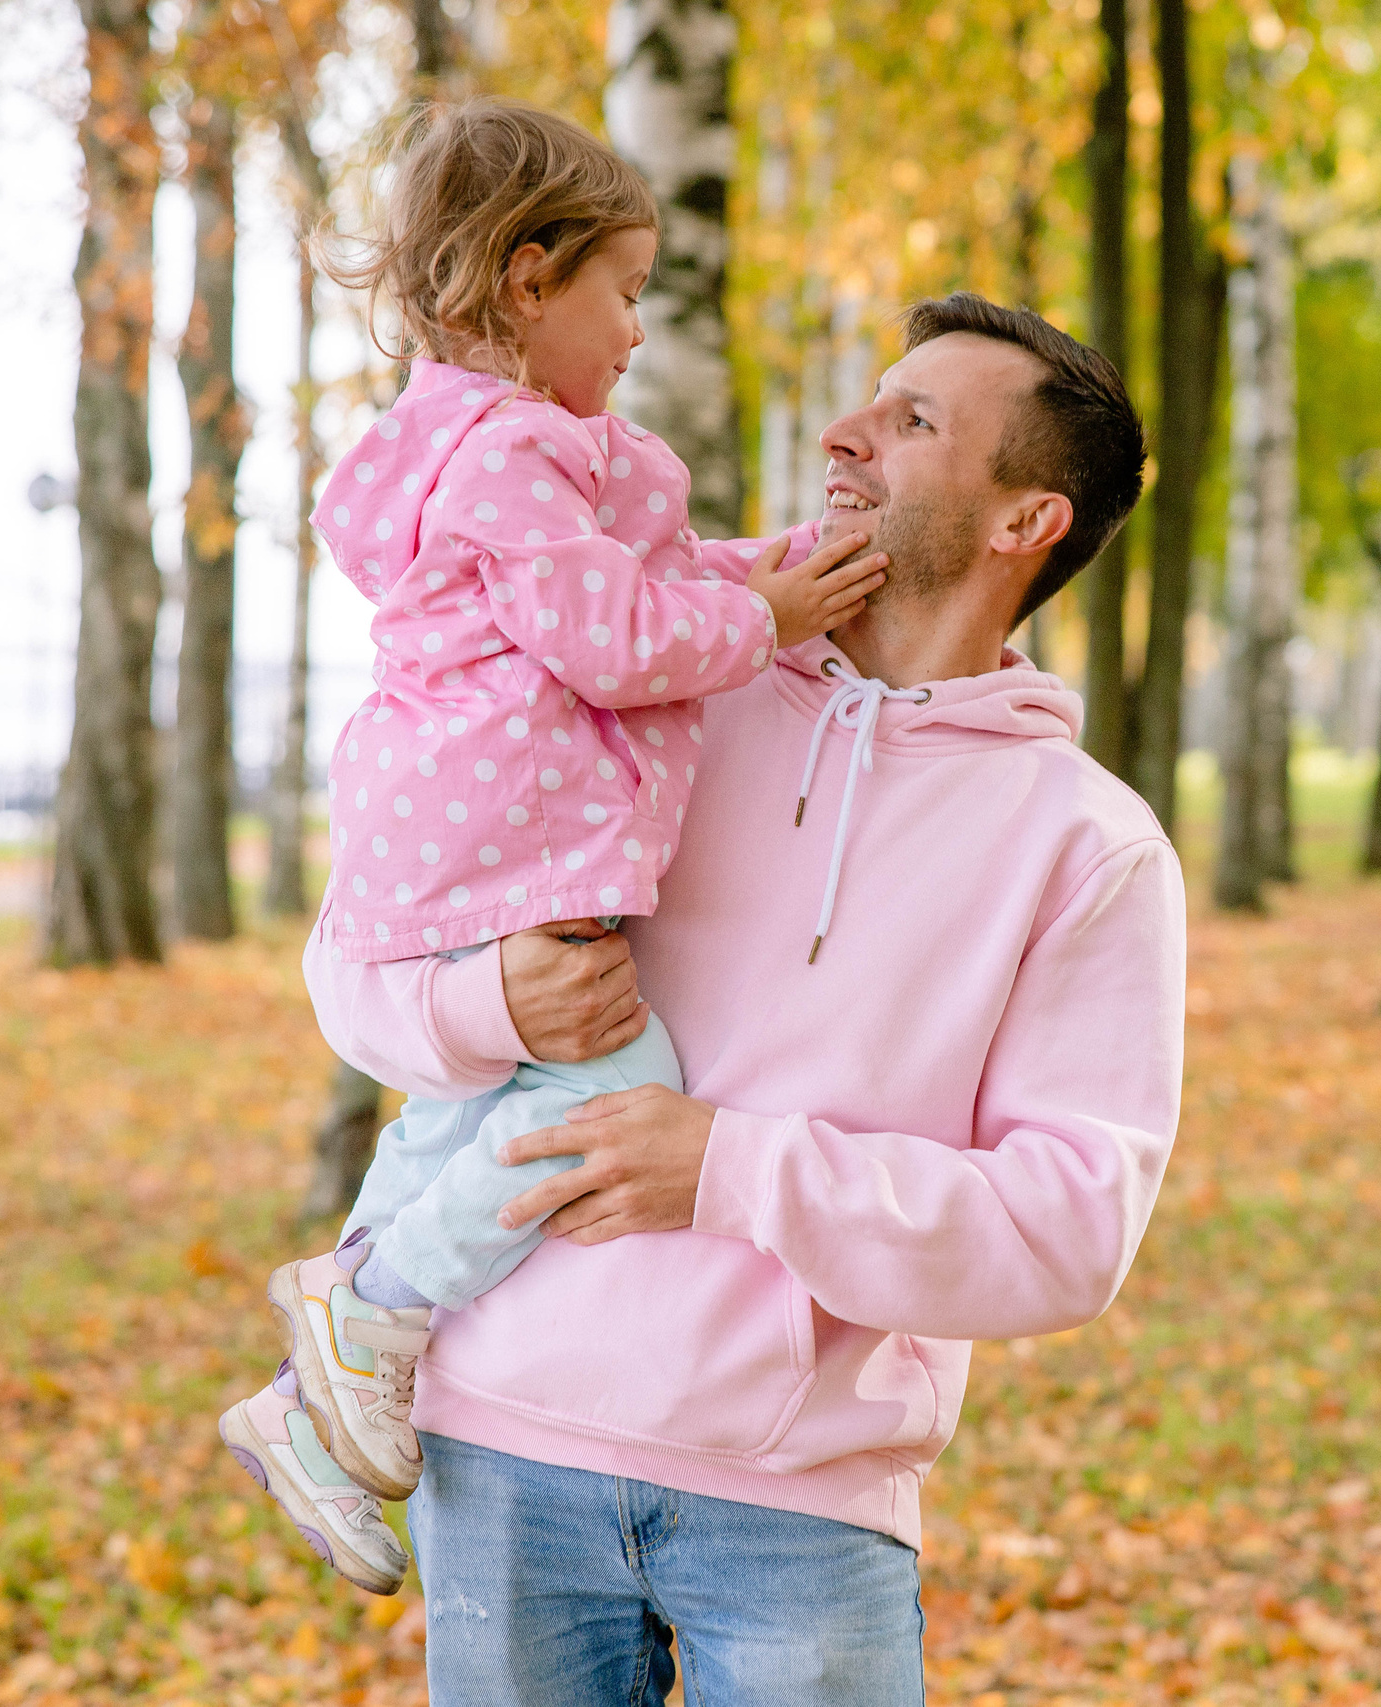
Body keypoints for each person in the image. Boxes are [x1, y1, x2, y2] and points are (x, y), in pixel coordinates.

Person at [290, 286, 1179, 1701]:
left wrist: (729, 1170)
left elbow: (1066, 1232)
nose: (847, 433)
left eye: (914, 420)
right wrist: (493, 1012)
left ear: (1026, 522)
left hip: (803, 1510)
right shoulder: (649, 678)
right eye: (869, 400)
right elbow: (353, 966)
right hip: (505, 1453)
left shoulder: (1088, 846)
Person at [214, 96, 889, 1591]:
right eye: (627, 292)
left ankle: (315, 1404)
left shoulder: (496, 454)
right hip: (495, 842)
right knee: (611, 1089)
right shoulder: (514, 451)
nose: (639, 335)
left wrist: (766, 568)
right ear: (530, 279)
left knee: (467, 1114)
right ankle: (376, 1309)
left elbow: (626, 580)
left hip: (457, 838)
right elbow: (613, 634)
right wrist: (765, 617)